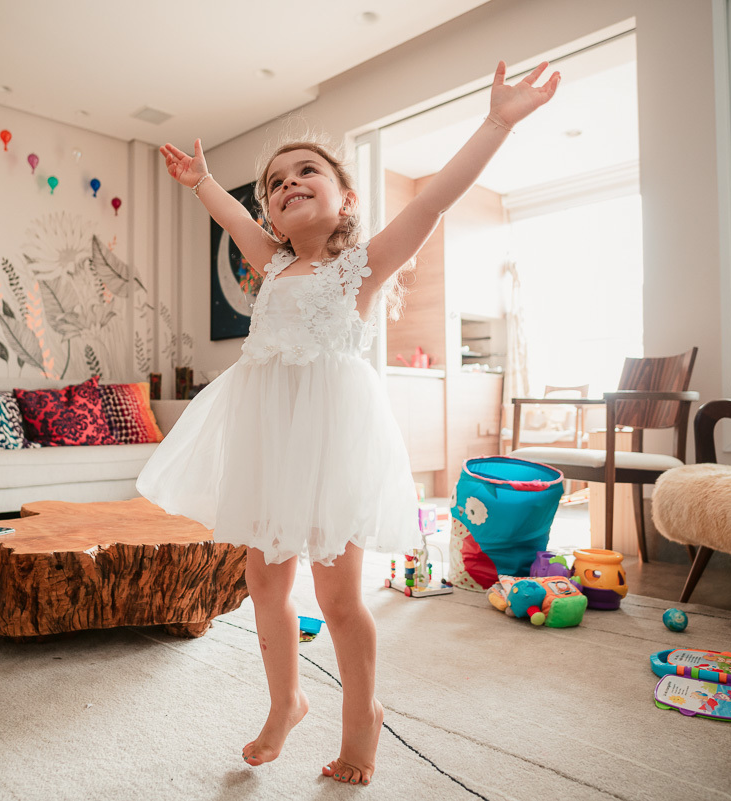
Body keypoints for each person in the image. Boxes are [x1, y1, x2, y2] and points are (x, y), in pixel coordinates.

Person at [138, 60, 559, 786]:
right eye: (274, 182)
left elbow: (436, 202)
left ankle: (363, 714)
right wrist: (201, 181)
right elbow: (232, 217)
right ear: (270, 215)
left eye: (306, 171)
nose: (288, 183)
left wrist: (497, 121)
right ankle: (286, 700)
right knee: (264, 582)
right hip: (269, 440)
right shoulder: (270, 264)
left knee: (337, 597)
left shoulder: (360, 266)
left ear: (346, 199)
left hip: (332, 441)